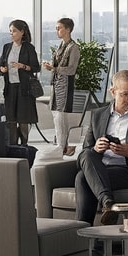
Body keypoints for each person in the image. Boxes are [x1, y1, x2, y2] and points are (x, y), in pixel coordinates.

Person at [72, 71, 128, 247]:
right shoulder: (98, 115)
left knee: (82, 178)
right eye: (125, 94)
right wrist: (96, 148)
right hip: (102, 168)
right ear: (113, 92)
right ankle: (107, 202)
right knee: (87, 158)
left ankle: (84, 246)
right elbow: (83, 156)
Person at [43, 17, 81, 157]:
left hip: (65, 86)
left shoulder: (73, 47)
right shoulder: (61, 45)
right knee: (57, 116)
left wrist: (54, 68)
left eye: (59, 28)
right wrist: (52, 67)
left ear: (68, 29)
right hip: (56, 84)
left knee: (60, 116)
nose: (57, 30)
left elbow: (71, 69)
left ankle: (61, 146)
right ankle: (61, 145)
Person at [0, 18, 40, 146]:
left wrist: (22, 66)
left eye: (14, 31)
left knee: (23, 119)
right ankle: (12, 145)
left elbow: (36, 68)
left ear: (22, 32)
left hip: (24, 88)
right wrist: (2, 69)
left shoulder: (28, 47)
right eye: (10, 31)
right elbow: (1, 64)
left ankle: (24, 145)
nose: (11, 34)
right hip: (10, 88)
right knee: (10, 119)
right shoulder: (6, 47)